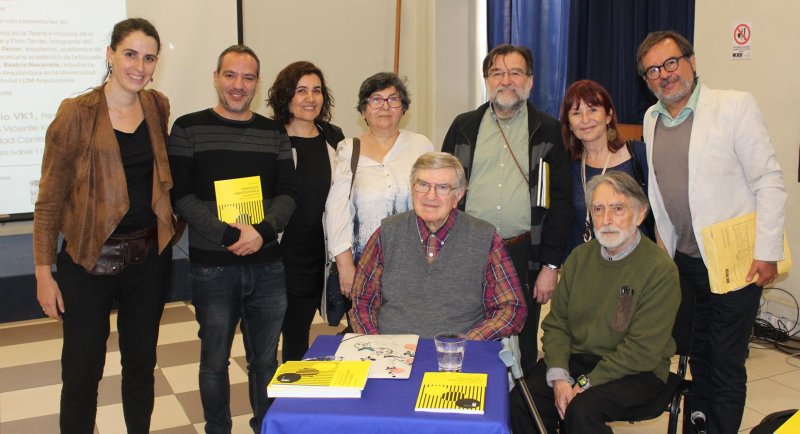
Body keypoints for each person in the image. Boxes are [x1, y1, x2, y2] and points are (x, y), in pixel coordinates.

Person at [637, 30, 786, 433]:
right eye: (653, 70)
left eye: (671, 63)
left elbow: (768, 180)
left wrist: (767, 250)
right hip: (684, 261)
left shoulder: (735, 107)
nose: (664, 75)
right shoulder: (652, 120)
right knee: (696, 354)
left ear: (692, 61)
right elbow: (662, 191)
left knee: (724, 359)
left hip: (734, 263)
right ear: (646, 81)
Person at [33, 18, 175, 434]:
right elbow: (48, 203)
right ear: (110, 54)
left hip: (146, 259)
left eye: (149, 57)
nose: (140, 65)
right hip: (88, 260)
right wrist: (44, 274)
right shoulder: (75, 113)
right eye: (130, 54)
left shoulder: (157, 105)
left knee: (140, 366)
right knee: (81, 372)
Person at [167, 45, 295, 433]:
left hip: (267, 265)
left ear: (258, 82)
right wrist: (227, 235)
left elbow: (288, 193)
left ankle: (265, 427)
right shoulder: (188, 128)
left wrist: (261, 232)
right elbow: (181, 196)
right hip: (213, 267)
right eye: (230, 75)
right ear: (215, 77)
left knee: (266, 361)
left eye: (248, 77)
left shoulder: (273, 132)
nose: (238, 85)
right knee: (214, 360)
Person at [510, 171, 680, 434]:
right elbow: (557, 326)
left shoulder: (659, 270)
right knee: (522, 400)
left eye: (618, 209)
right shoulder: (579, 258)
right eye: (598, 209)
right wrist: (559, 377)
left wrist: (585, 383)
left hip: (638, 370)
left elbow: (642, 351)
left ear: (640, 213)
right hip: (580, 358)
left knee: (581, 411)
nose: (607, 219)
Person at [441, 44, 572, 374]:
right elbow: (442, 190)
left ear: (530, 81)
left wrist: (551, 264)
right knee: (467, 332)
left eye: (515, 72)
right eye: (497, 72)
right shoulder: (463, 127)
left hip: (523, 251)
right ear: (487, 80)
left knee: (521, 341)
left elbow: (560, 201)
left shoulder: (549, 131)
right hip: (469, 251)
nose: (506, 80)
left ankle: (517, 416)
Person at [349, 152, 527, 339]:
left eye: (442, 187)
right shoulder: (386, 233)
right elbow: (362, 301)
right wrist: (374, 344)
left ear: (458, 194)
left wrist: (468, 342)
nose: (430, 196)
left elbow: (511, 308)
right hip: (393, 352)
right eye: (423, 184)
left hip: (460, 354)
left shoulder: (485, 238)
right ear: (412, 187)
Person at [325, 72, 433, 309]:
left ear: (403, 108)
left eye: (393, 99)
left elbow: (435, 202)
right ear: (363, 110)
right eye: (376, 99)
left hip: (415, 261)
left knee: (412, 330)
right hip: (363, 263)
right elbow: (336, 210)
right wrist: (344, 264)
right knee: (366, 333)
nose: (385, 106)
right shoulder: (347, 149)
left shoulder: (421, 146)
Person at [266, 61, 344, 361]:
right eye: (301, 90)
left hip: (316, 257)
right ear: (286, 95)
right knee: (266, 341)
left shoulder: (333, 137)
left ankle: (290, 404)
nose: (310, 98)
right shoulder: (271, 137)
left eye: (316, 90)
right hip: (277, 256)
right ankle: (267, 406)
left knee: (299, 337)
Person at [560, 79, 652, 259]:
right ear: (569, 123)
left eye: (593, 110)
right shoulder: (566, 165)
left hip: (636, 263)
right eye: (576, 113)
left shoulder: (639, 156)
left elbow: (660, 216)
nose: (585, 120)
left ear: (609, 115)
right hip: (585, 267)